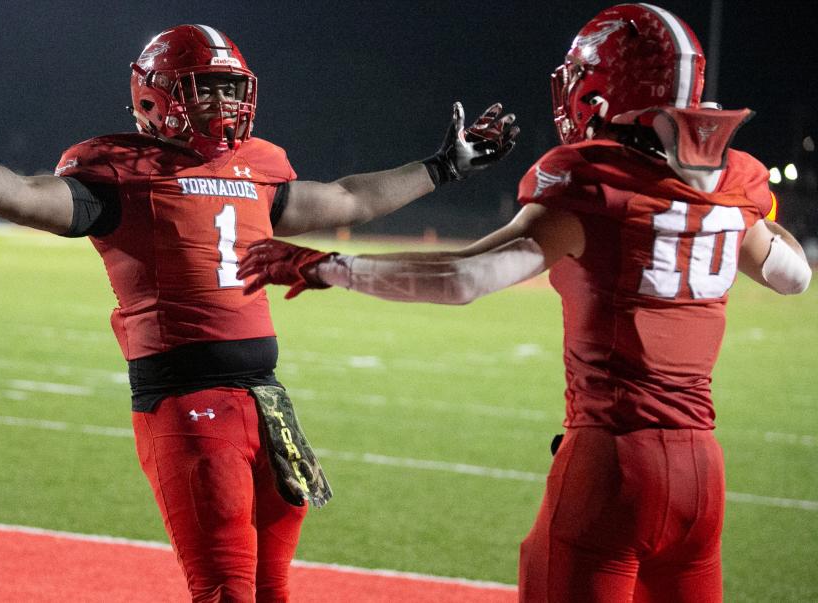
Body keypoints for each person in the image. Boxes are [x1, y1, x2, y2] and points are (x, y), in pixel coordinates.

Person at [0, 24, 517, 603]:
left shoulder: (257, 166)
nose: (224, 106)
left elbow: (348, 196)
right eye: (205, 91)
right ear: (156, 100)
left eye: (228, 90)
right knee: (225, 592)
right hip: (187, 406)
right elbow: (28, 198)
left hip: (266, 403)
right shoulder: (120, 170)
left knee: (272, 592)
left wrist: (443, 167)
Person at [236, 4, 812, 602]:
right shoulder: (732, 185)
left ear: (601, 90)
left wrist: (326, 265)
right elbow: (793, 275)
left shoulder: (595, 180)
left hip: (612, 467)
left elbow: (468, 276)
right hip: (703, 476)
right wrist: (753, 211)